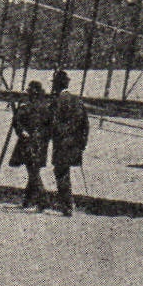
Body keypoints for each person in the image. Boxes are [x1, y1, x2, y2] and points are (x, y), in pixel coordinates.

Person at [48, 69, 91, 217]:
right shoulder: (77, 100)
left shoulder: (56, 102)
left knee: (61, 172)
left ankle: (67, 205)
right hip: (75, 144)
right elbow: (85, 124)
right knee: (64, 172)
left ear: (56, 86)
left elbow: (51, 124)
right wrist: (82, 143)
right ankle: (69, 203)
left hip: (61, 144)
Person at [9, 79, 52, 210]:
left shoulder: (25, 108)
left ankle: (43, 200)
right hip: (41, 144)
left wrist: (22, 132)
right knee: (34, 171)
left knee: (33, 172)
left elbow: (16, 122)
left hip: (28, 143)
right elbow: (51, 127)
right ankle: (28, 201)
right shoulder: (47, 108)